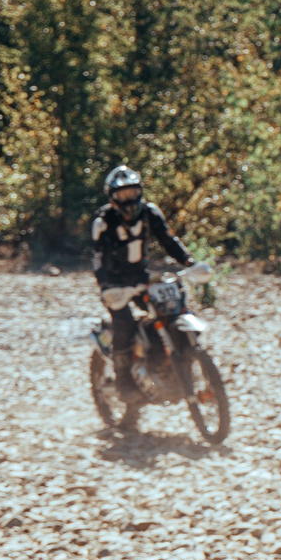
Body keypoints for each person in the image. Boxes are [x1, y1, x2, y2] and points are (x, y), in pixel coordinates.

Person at [89, 164, 192, 415]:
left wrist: (189, 262)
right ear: (113, 197)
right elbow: (98, 259)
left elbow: (168, 240)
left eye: (133, 192)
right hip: (116, 283)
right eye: (123, 195)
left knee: (171, 310)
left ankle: (175, 364)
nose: (129, 199)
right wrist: (106, 287)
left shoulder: (150, 213)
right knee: (124, 324)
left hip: (142, 276)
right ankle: (124, 381)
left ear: (140, 192)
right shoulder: (103, 222)